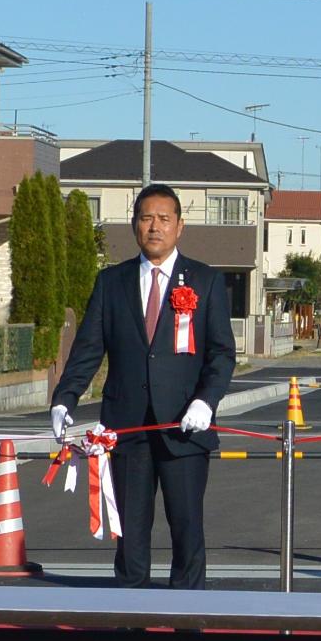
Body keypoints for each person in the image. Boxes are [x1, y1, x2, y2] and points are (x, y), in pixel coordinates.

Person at [51, 183, 236, 589]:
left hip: (185, 430)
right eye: (145, 218)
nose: (154, 227)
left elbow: (222, 354)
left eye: (163, 219)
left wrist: (206, 402)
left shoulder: (204, 282)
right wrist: (64, 400)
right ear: (135, 225)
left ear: (180, 226)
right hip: (127, 429)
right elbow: (87, 350)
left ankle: (186, 627)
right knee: (130, 535)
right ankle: (130, 627)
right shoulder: (111, 283)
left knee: (187, 532)